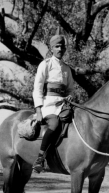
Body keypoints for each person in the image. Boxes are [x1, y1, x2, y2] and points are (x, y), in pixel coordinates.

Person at [32, 34, 75, 173]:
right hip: (48, 105)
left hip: (63, 105)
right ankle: (40, 158)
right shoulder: (45, 64)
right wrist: (38, 110)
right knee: (55, 124)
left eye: (62, 46)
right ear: (51, 49)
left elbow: (70, 90)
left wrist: (69, 96)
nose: (60, 49)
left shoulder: (67, 69)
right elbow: (37, 88)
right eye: (57, 46)